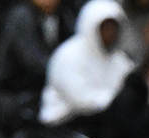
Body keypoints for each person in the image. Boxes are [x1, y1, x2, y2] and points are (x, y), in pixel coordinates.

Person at [39, 0, 133, 129]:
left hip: (103, 124)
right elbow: (80, 100)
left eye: (114, 28)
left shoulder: (119, 60)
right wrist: (115, 100)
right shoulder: (68, 55)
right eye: (105, 28)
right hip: (64, 125)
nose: (110, 33)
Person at [0, 0, 69, 98]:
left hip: (46, 80)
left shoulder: (63, 14)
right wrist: (64, 71)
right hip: (16, 86)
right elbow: (32, 59)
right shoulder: (21, 16)